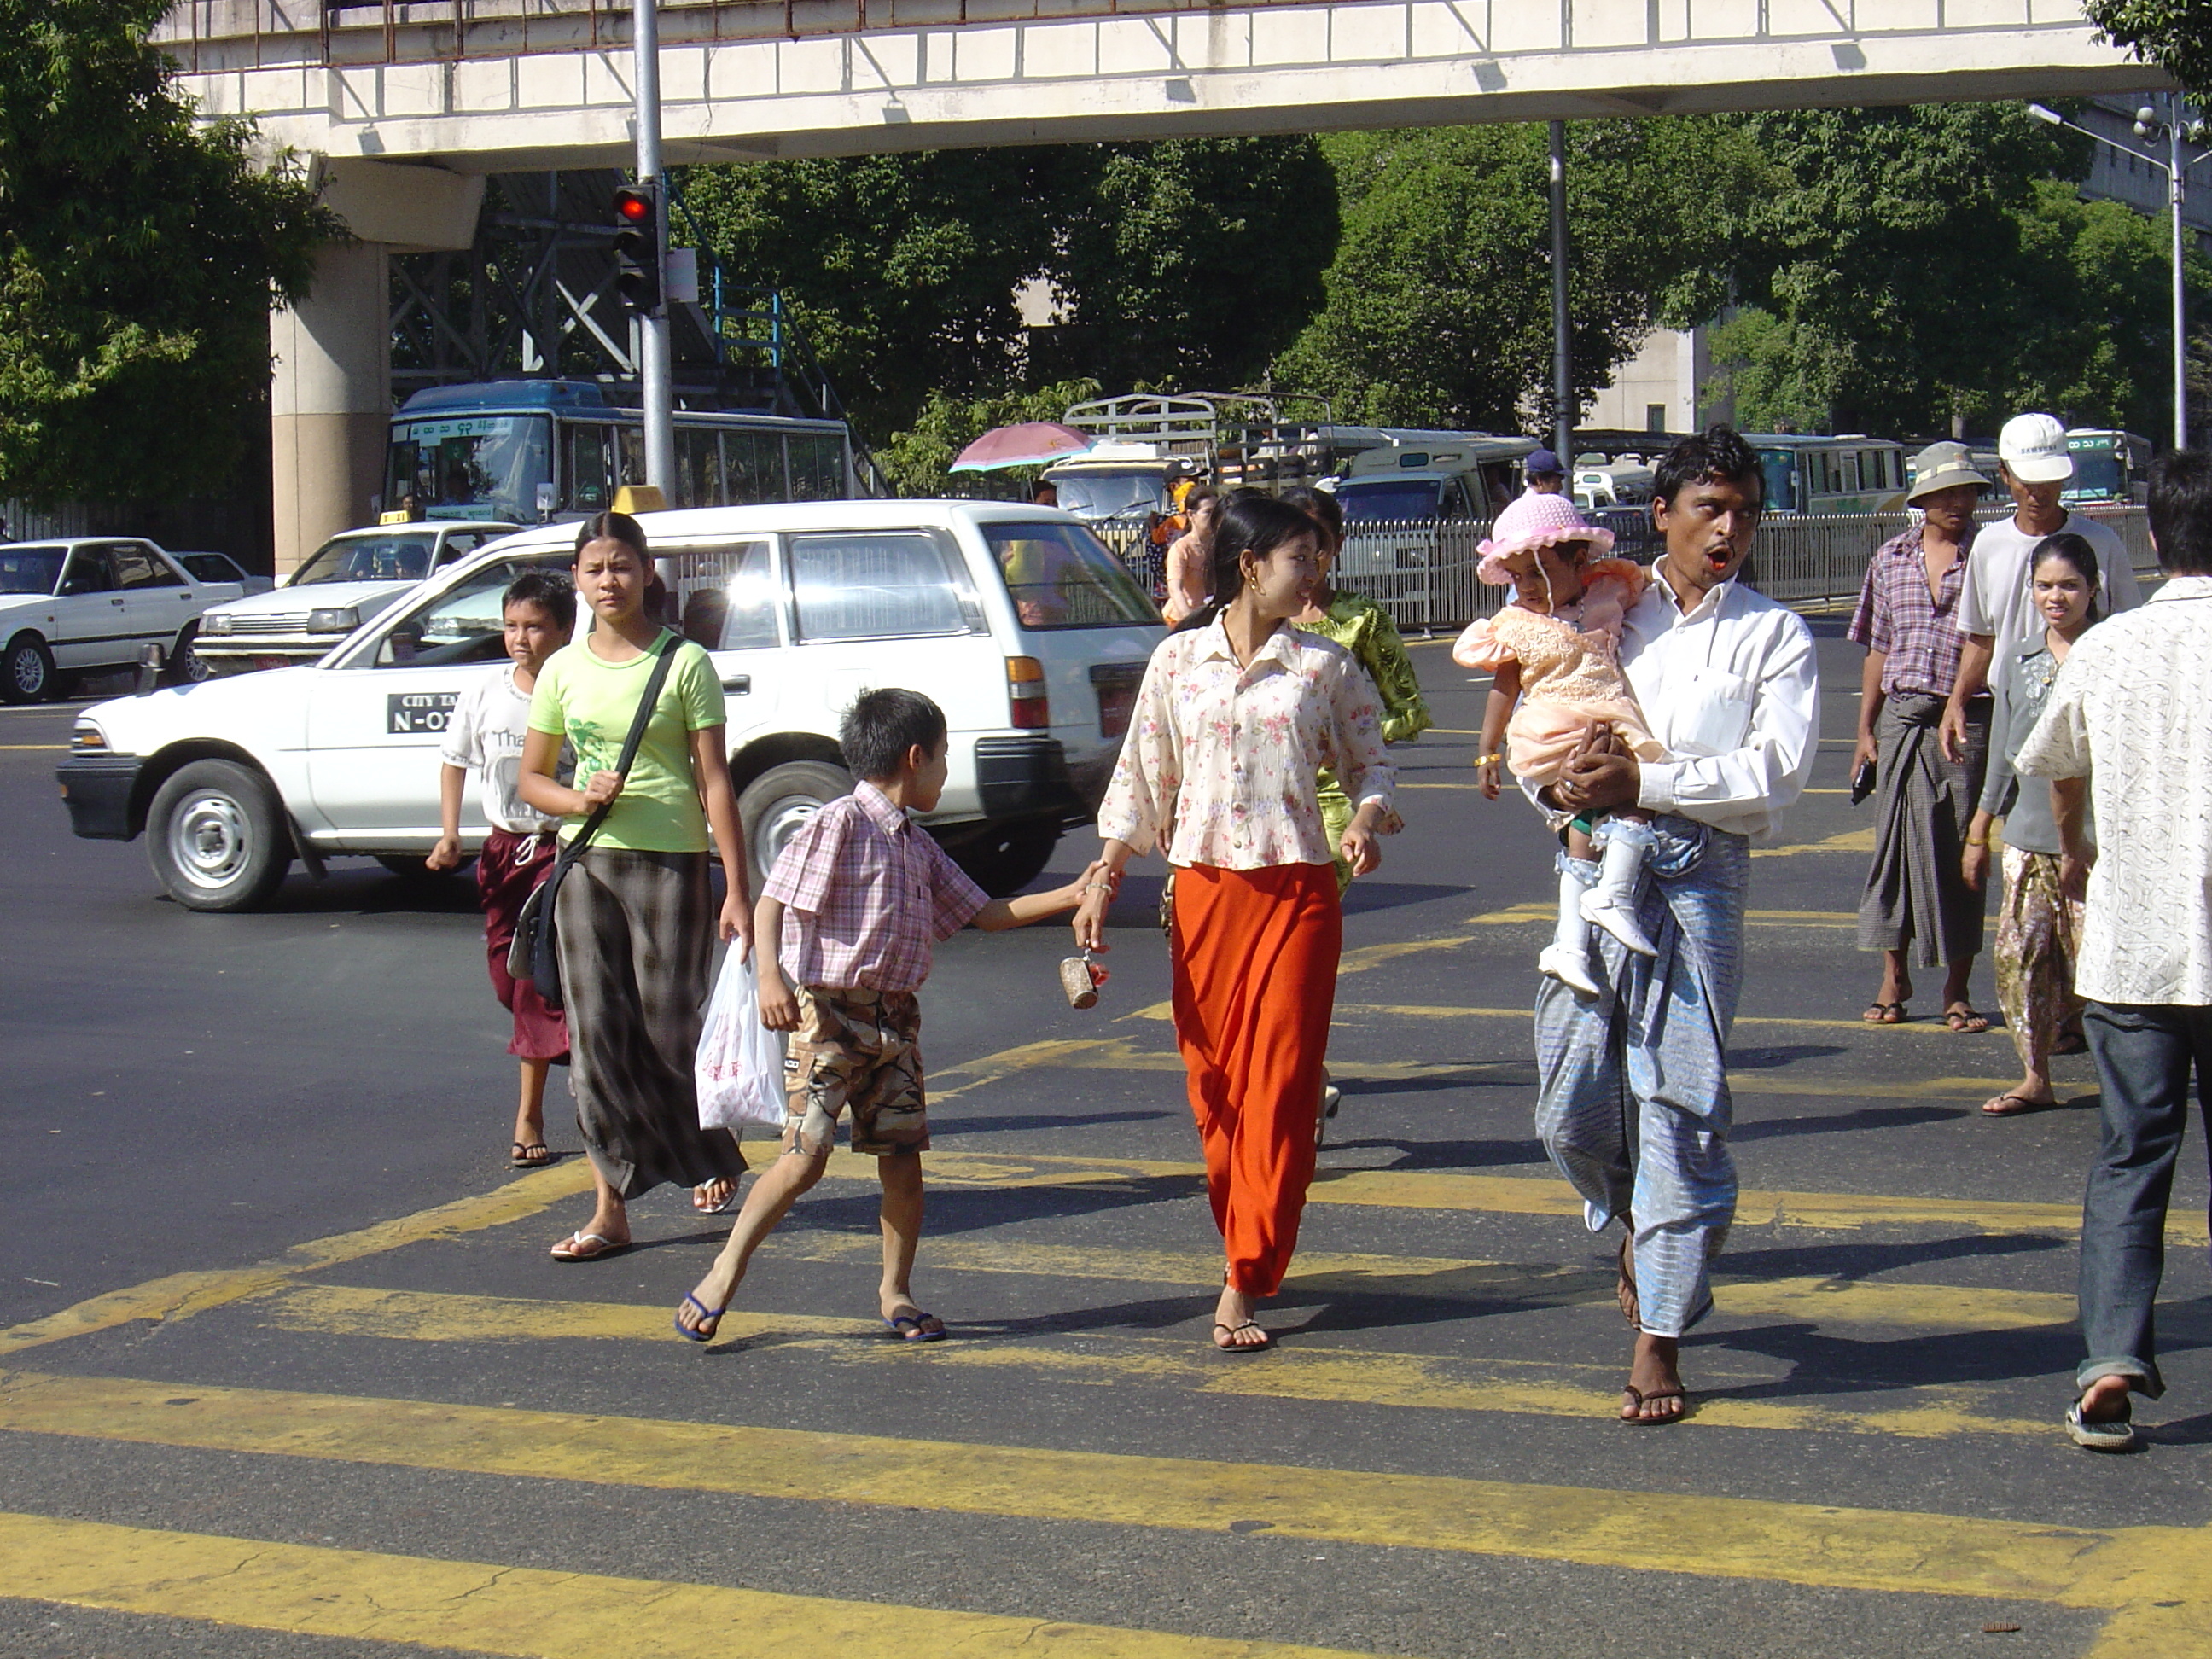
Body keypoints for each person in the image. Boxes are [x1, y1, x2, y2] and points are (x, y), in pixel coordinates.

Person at [1528, 426, 1818, 1423]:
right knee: (1570, 1103)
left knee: (1680, 1107)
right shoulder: (1606, 608)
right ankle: (1633, 1219)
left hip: (1701, 878)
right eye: (1710, 508)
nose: (1729, 528)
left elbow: (1772, 778)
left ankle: (1661, 1333)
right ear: (1663, 514)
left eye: (1744, 509)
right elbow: (1544, 721)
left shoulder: (1773, 634)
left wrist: (1648, 780)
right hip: (1590, 864)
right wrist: (1563, 788)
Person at [675, 690, 1100, 1342]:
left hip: (895, 1025)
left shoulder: (916, 846)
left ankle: (896, 1293)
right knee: (803, 1157)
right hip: (829, 1017)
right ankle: (723, 1272)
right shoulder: (839, 823)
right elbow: (773, 902)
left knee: (902, 1160)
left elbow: (985, 913)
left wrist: (1074, 892)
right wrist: (768, 977)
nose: (945, 772)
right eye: (943, 759)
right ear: (914, 757)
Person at [1076, 493, 1395, 1352]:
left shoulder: (1324, 667)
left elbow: (1373, 763)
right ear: (1251, 567)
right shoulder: (1178, 662)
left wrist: (1364, 820)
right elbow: (1142, 780)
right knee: (1214, 1085)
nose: (1318, 574)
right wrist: (1107, 869)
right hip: (1206, 895)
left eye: (1320, 559)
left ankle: (1245, 1274)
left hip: (1298, 893)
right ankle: (1241, 1238)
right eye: (1304, 559)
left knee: (1284, 1086)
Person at [2015, 448, 2212, 1452]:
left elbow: (2047, 759)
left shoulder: (2109, 647)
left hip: (2134, 948)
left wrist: (2086, 843)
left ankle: (2108, 1364)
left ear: (2148, 540)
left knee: (2132, 1155)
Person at [516, 512, 754, 1261]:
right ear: (578, 580)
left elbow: (715, 783)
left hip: (672, 862)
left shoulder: (685, 663)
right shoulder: (561, 669)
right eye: (594, 569)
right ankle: (608, 1207)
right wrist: (578, 799)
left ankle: (705, 1148)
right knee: (595, 1040)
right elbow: (531, 780)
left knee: (667, 1027)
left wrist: (738, 890)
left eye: (621, 565)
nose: (608, 581)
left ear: (647, 572)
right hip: (586, 864)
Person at [1455, 492, 1668, 997]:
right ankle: (1590, 920)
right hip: (1555, 725)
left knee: (1633, 798)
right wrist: (1487, 752)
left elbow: (1653, 584)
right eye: (1519, 576)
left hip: (1611, 716)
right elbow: (1504, 689)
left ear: (1579, 559)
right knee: (1589, 807)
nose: (1528, 586)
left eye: (1540, 570)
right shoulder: (1517, 626)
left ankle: (1591, 918)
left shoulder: (1605, 596)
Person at [1284, 483, 1429, 1138]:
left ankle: (1301, 1079)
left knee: (1301, 940)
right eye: (1291, 545)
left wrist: (1345, 737)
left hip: (1339, 803)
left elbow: (1407, 710)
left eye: (1316, 545)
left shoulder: (1360, 619)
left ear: (1335, 550)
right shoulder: (1252, 624)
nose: (1305, 561)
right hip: (1262, 804)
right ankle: (1297, 1074)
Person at [428, 570, 577, 1167]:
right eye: (511, 627)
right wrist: (448, 835)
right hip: (502, 852)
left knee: (533, 984)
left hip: (557, 851)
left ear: (564, 631)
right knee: (507, 980)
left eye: (535, 627)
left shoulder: (575, 690)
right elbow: (454, 761)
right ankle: (569, 1052)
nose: (521, 639)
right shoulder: (485, 693)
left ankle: (530, 1113)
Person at [1849, 441, 1993, 1031]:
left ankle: (1957, 989)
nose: (1957, 503)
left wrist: (1959, 702)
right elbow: (1879, 648)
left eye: (1966, 492)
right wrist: (1864, 729)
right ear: (1924, 499)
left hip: (1969, 719)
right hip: (1902, 717)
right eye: (1946, 493)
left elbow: (1992, 642)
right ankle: (1894, 976)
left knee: (1962, 852)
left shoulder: (1989, 556)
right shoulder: (1891, 558)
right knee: (1894, 853)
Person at [1966, 534, 2102, 1116]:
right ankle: (2034, 1075)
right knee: (2022, 958)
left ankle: (2126, 1080)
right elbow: (2003, 752)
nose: (2057, 597)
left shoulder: (2112, 656)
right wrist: (1979, 831)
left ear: (2093, 589)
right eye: (2045, 586)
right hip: (2027, 837)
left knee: (2098, 965)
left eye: (2069, 585)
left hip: (2098, 844)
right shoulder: (2019, 663)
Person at [1938, 412, 2141, 762]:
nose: (2039, 493)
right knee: (2012, 813)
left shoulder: (2102, 543)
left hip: (2086, 716)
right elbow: (1981, 636)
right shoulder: (1989, 545)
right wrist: (1956, 702)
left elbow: (2130, 635)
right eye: (2027, 481)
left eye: (2049, 480)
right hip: (2011, 715)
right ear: (2004, 475)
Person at [1161, 485, 1220, 624]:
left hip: (1210, 619)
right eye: (1208, 512)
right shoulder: (1181, 548)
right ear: (1191, 515)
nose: (1214, 517)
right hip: (1179, 620)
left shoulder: (1219, 545)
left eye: (1217, 512)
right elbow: (1175, 589)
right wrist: (1189, 620)